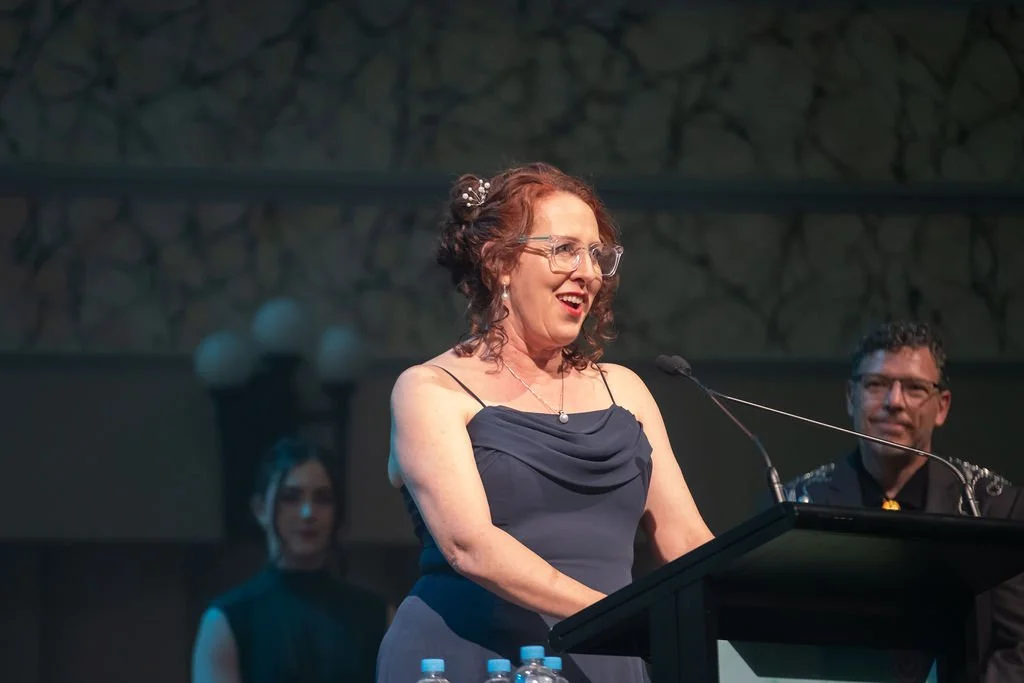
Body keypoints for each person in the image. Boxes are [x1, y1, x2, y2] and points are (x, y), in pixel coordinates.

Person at [376, 163, 715, 683]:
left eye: (597, 254)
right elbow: (471, 546)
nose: (589, 272)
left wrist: (759, 607)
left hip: (607, 658)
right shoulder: (430, 389)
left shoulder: (624, 390)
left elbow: (686, 539)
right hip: (466, 660)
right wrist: (618, 616)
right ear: (500, 263)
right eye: (565, 250)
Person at [783, 321, 1024, 682]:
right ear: (851, 397)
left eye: (914, 388)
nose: (894, 402)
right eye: (877, 384)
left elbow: (1018, 646)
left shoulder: (994, 507)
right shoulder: (797, 506)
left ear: (941, 407)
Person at [192, 436, 388, 683]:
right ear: (260, 509)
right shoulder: (226, 621)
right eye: (291, 498)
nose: (308, 513)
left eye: (323, 499)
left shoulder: (378, 617)